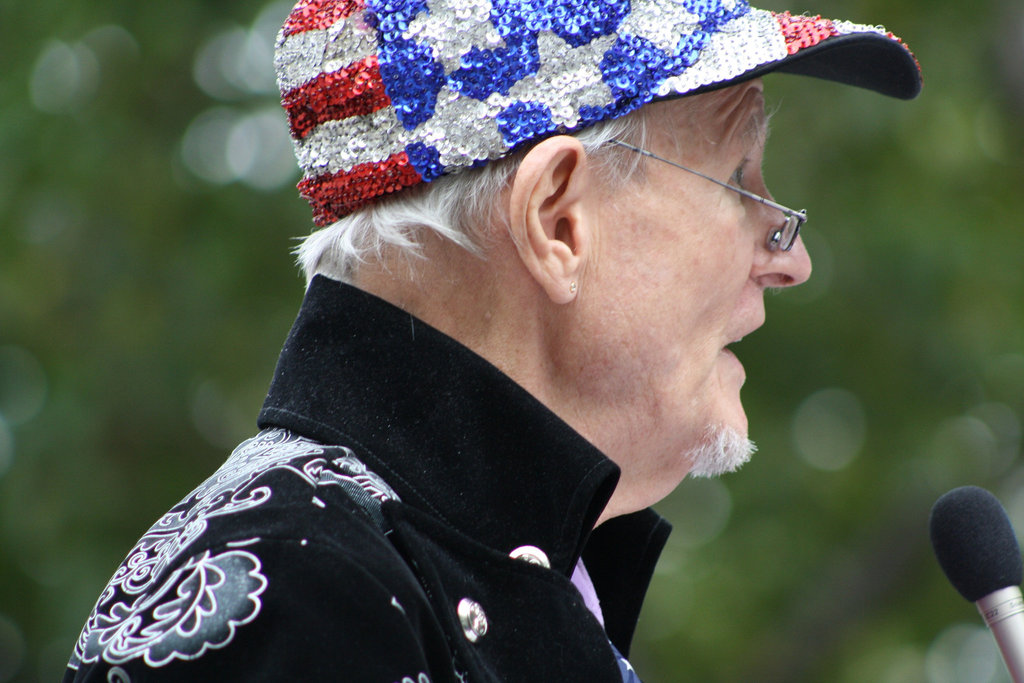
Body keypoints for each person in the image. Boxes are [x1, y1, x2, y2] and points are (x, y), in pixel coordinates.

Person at [64, 0, 922, 680]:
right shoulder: (309, 599)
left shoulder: (391, 568)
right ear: (558, 219)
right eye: (739, 178)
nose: (792, 255)